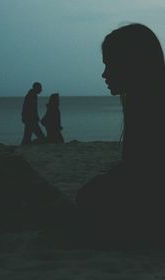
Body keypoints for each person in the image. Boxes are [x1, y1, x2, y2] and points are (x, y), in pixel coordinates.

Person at [76, 23, 165, 245]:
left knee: (91, 196)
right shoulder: (144, 100)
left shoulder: (149, 105)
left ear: (131, 65)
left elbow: (143, 173)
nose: (104, 74)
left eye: (110, 65)